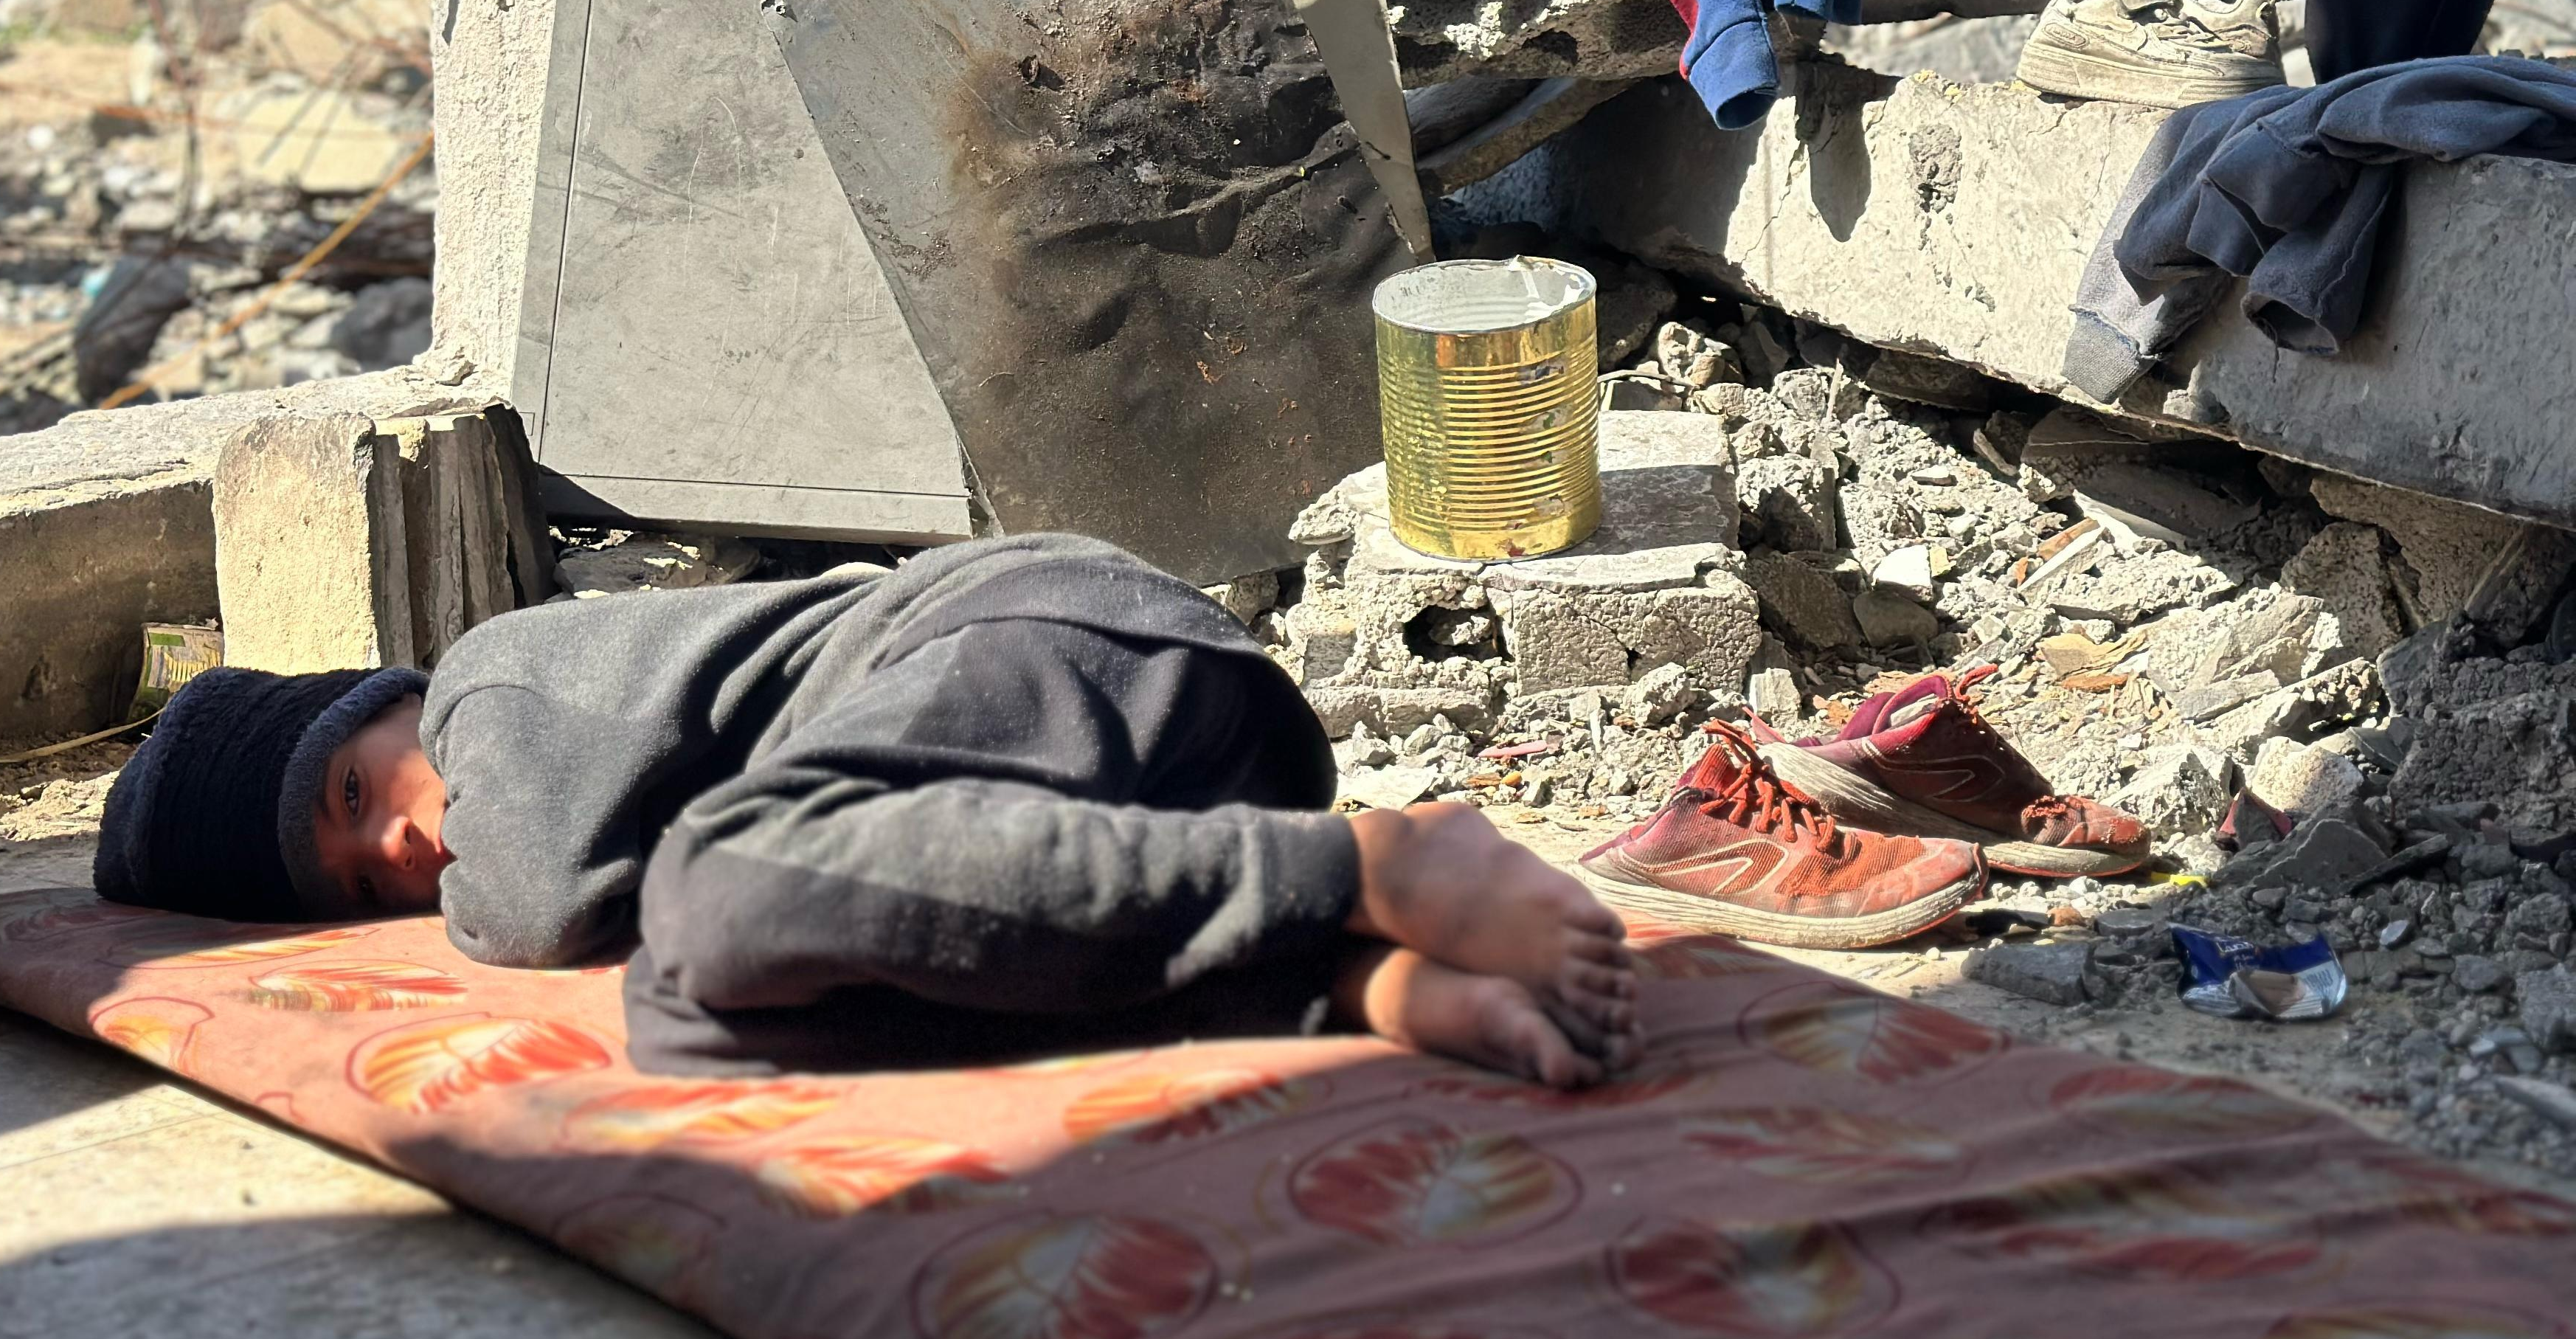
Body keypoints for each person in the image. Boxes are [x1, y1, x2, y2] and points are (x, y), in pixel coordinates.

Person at [96, 533, 1640, 1087]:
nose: (398, 844)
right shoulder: (479, 771)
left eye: (358, 790)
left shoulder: (494, 685)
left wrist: (470, 899)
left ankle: (1370, 862)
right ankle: (1326, 976)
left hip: (1048, 643)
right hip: (1110, 814)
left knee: (712, 888)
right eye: (358, 876)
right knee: (691, 1014)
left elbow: (539, 894)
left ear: (387, 695)